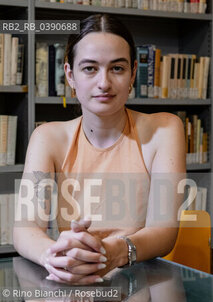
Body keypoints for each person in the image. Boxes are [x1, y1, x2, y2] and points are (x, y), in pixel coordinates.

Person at [13, 13, 186, 285]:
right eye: (90, 68)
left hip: (139, 286)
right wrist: (54, 256)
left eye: (117, 68)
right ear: (70, 75)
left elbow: (164, 232)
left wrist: (114, 252)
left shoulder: (165, 130)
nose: (104, 83)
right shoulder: (47, 137)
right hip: (72, 279)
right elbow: (25, 228)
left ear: (132, 75)